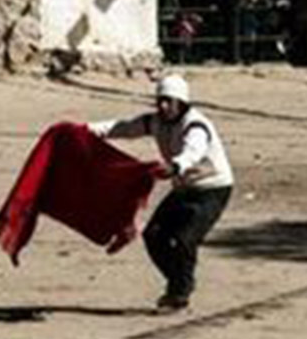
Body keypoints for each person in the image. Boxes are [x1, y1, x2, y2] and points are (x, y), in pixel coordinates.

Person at [89, 75, 234, 313]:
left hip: (212, 188)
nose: (163, 106)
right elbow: (123, 128)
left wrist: (176, 166)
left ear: (182, 102)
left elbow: (193, 151)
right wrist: (87, 130)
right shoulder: (155, 122)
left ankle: (179, 293)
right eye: (160, 101)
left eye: (169, 101)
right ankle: (179, 283)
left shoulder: (196, 125)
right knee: (154, 235)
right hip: (185, 188)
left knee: (185, 239)